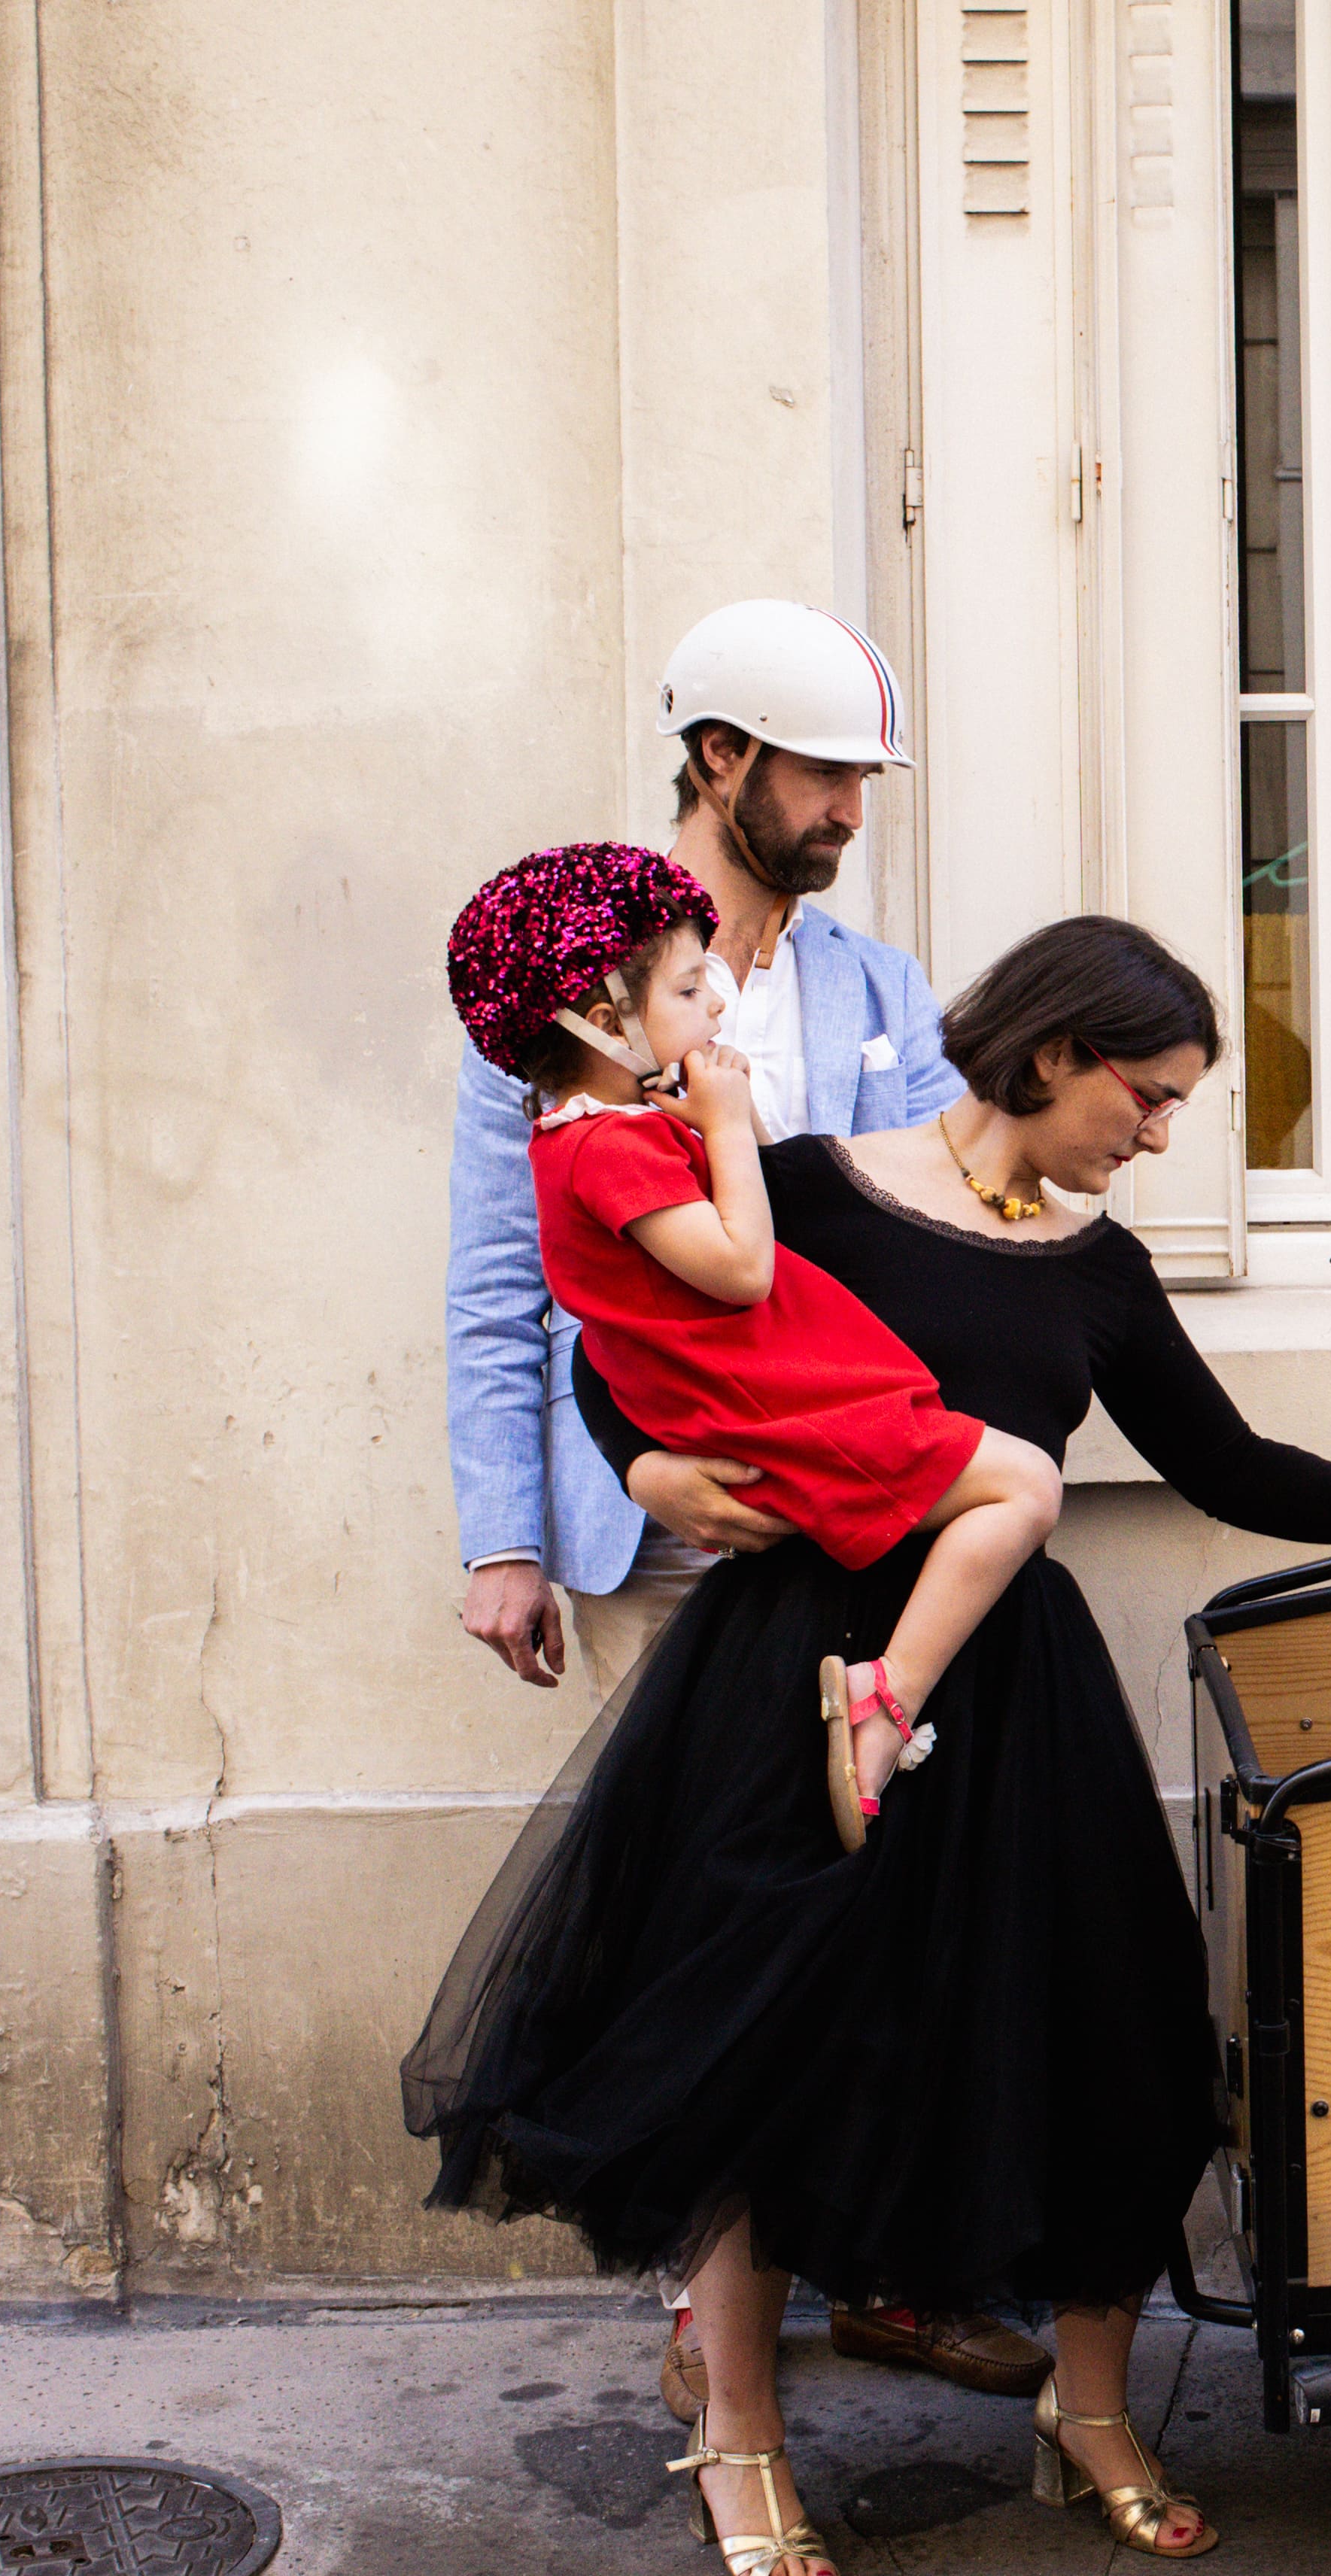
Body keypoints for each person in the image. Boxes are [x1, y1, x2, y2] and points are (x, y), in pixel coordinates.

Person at [408, 913, 1331, 2576]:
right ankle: (743, 2433)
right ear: (1056, 1053)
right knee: (756, 2046)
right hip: (790, 1666)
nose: (1154, 1136)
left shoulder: (1097, 1264)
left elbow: (1213, 1453)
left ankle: (1087, 2412)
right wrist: (640, 1478)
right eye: (1142, 1098)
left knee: (1108, 2038)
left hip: (1012, 1694)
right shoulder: (811, 1185)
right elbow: (636, 1349)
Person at [439, 596, 1048, 2410]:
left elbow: (942, 1231)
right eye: (828, 773)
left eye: (866, 775)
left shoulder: (870, 988)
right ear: (721, 759)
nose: (855, 807)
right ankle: (716, 2328)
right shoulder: (584, 992)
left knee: (880, 1909)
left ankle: (880, 2264)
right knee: (716, 1923)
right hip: (671, 1534)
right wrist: (527, 1520)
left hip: (858, 1507)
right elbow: (513, 1277)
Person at [446, 842, 1068, 1846]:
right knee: (1026, 1488)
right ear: (602, 1022)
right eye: (693, 988)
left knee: (777, 1828)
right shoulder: (600, 1142)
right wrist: (729, 1128)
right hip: (768, 1429)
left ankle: (873, 1708)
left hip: (800, 1406)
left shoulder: (638, 1116)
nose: (717, 1010)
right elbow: (735, 1269)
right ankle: (886, 1703)